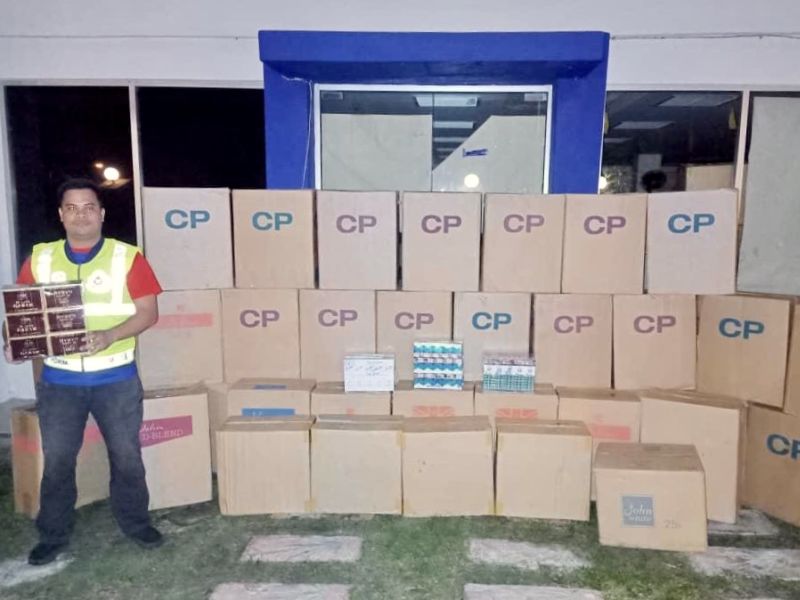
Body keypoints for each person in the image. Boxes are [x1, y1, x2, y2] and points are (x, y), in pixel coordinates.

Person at [3, 178, 164, 566]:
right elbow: (21, 312)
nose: (81, 214)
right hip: (59, 382)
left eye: (89, 206)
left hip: (115, 379)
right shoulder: (39, 258)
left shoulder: (127, 257)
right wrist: (13, 342)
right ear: (61, 215)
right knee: (58, 460)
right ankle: (53, 534)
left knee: (126, 456)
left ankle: (136, 523)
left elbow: (148, 312)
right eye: (71, 208)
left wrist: (110, 334)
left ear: (102, 213)